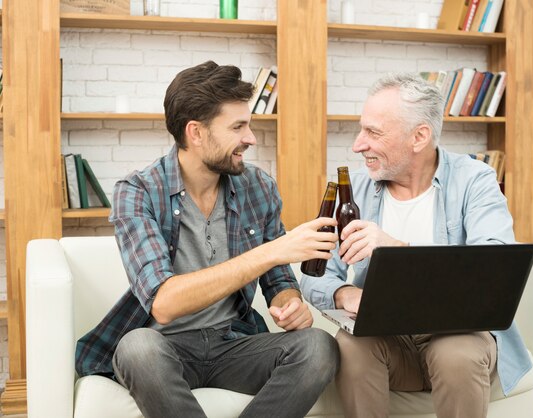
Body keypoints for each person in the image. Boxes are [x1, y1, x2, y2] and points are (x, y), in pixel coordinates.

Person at [74, 61, 340, 418]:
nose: (251, 138)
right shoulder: (137, 193)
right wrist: (270, 252)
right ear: (196, 133)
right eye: (238, 127)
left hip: (234, 343)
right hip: (164, 349)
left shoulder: (257, 187)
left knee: (318, 347)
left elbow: (278, 280)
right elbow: (163, 303)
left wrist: (289, 304)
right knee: (137, 348)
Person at [300, 73, 532, 418]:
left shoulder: (474, 181)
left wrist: (394, 247)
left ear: (419, 136)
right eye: (362, 130)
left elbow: (493, 271)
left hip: (459, 332)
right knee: (351, 345)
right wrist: (346, 294)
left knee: (456, 354)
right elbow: (314, 274)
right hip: (389, 340)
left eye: (373, 132)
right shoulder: (356, 192)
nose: (357, 145)